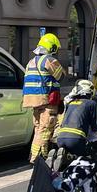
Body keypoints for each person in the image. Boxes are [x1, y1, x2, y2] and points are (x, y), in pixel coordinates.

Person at [23, 33, 65, 162]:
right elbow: (61, 76)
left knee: (38, 129)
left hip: (33, 101)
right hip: (47, 100)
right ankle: (37, 158)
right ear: (51, 47)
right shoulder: (49, 60)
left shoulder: (31, 62)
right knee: (45, 129)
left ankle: (41, 155)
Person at [54, 80, 97, 157]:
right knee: (89, 156)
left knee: (71, 155)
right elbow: (95, 127)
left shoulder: (70, 103)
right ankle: (71, 157)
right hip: (76, 139)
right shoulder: (91, 103)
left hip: (60, 138)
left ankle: (63, 156)